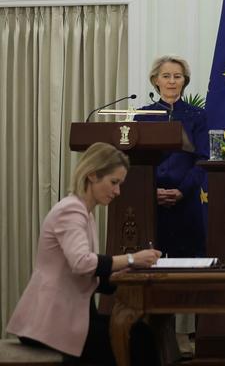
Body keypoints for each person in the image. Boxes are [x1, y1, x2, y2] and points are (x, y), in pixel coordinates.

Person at [6, 142, 162, 365]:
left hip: (69, 316)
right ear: (92, 175)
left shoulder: (84, 213)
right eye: (114, 183)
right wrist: (132, 258)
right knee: (138, 340)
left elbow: (86, 272)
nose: (118, 191)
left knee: (141, 336)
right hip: (50, 322)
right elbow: (81, 263)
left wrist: (128, 269)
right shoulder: (71, 210)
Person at [137, 55, 209, 258]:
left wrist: (181, 190)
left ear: (184, 81)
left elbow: (203, 159)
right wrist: (153, 190)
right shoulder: (143, 116)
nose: (171, 81)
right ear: (155, 80)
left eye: (177, 76)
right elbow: (136, 161)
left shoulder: (198, 116)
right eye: (166, 76)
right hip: (152, 203)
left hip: (186, 201)